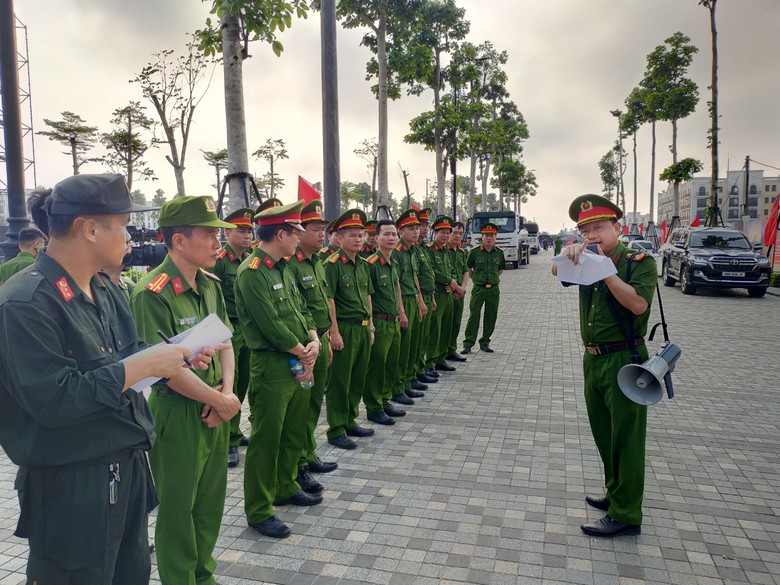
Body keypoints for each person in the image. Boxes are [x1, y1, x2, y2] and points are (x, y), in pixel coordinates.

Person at [0, 174, 210, 584]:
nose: (129, 236)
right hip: (72, 484)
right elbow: (55, 400)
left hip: (125, 466)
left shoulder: (104, 287)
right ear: (90, 228)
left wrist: (171, 360)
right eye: (122, 224)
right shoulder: (25, 302)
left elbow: (126, 353)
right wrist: (147, 364)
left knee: (130, 575)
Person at [131, 195, 241, 584]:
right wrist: (220, 401)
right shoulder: (152, 292)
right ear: (179, 241)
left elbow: (226, 342)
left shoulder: (209, 284)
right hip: (177, 412)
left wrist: (226, 395)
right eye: (210, 235)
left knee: (209, 505)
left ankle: (203, 575)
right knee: (178, 510)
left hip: (215, 408)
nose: (218, 243)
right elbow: (166, 370)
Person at [552, 194, 656, 538]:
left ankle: (627, 514)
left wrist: (606, 271)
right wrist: (571, 256)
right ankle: (615, 493)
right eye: (585, 230)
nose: (592, 234)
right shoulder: (586, 257)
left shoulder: (637, 261)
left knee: (626, 438)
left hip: (624, 359)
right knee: (604, 433)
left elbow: (638, 305)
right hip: (592, 358)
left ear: (617, 227)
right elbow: (556, 271)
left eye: (598, 227)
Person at [235, 200, 322, 539]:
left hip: (298, 359)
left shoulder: (283, 266)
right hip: (272, 364)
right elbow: (269, 324)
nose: (300, 237)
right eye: (296, 232)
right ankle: (258, 509)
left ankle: (285, 486)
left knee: (292, 431)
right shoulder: (252, 272)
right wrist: (305, 353)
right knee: (266, 439)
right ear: (281, 233)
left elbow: (300, 309)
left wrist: (313, 341)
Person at [287, 198, 339, 494]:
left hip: (318, 341)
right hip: (302, 348)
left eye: (323, 229)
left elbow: (321, 304)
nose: (322, 234)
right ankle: (298, 466)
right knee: (302, 407)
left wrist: (328, 336)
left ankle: (307, 453)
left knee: (313, 404)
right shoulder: (292, 265)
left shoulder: (317, 262)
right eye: (315, 229)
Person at [324, 209, 375, 450]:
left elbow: (367, 296)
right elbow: (329, 299)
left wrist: (371, 326)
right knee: (340, 381)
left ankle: (350, 419)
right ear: (340, 238)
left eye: (360, 235)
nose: (358, 239)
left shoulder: (364, 264)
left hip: (363, 328)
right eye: (352, 235)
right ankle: (335, 428)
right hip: (344, 328)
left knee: (358, 377)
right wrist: (333, 332)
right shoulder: (332, 264)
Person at [213, 207, 254, 468]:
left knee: (243, 382)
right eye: (242, 230)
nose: (248, 235)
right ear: (228, 232)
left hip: (248, 328)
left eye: (250, 230)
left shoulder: (250, 258)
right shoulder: (219, 259)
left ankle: (236, 431)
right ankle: (227, 439)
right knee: (229, 382)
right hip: (228, 329)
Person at [365, 219, 406, 426]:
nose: (391, 238)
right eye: (386, 234)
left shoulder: (394, 263)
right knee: (377, 366)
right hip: (380, 322)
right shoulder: (371, 264)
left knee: (391, 363)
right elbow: (367, 296)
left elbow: (397, 287)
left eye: (394, 234)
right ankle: (374, 406)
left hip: (394, 321)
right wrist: (371, 325)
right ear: (376, 238)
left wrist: (402, 312)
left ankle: (385, 399)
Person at [391, 209, 427, 406]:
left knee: (413, 344)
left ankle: (407, 381)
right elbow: (396, 282)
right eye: (410, 229)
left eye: (416, 228)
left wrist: (421, 301)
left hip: (413, 299)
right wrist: (402, 310)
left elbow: (414, 278)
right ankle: (398, 387)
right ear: (400, 231)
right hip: (402, 301)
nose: (416, 231)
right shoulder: (397, 252)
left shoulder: (412, 251)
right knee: (403, 347)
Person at [424, 216, 466, 373]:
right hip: (438, 294)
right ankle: (430, 362)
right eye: (442, 232)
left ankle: (441, 358)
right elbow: (431, 272)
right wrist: (450, 281)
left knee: (446, 328)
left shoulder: (447, 252)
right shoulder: (429, 250)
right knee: (435, 329)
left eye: (447, 232)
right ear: (435, 233)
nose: (445, 235)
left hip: (449, 294)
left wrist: (455, 286)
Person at [461, 222, 506, 354]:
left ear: (495, 237)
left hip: (493, 289)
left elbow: (501, 269)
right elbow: (468, 268)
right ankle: (468, 343)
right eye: (486, 235)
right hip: (478, 289)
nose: (489, 238)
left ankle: (485, 342)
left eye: (492, 235)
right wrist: (475, 278)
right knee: (474, 315)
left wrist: (493, 278)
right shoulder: (474, 252)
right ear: (482, 236)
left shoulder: (499, 253)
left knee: (491, 316)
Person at [411, 208, 437, 389]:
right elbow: (415, 277)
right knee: (415, 340)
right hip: (415, 298)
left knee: (423, 336)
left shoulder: (422, 248)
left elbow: (428, 274)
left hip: (428, 296)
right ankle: (413, 373)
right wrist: (420, 300)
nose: (423, 229)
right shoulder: (409, 250)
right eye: (421, 225)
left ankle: (419, 369)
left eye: (426, 225)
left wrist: (432, 297)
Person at [445, 221, 468, 362]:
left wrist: (462, 289)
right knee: (445, 324)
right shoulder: (443, 250)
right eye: (454, 233)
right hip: (447, 292)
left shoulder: (461, 252)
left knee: (456, 322)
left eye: (460, 233)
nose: (457, 236)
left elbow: (465, 271)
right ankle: (441, 352)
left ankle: (451, 349)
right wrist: (456, 288)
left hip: (459, 294)